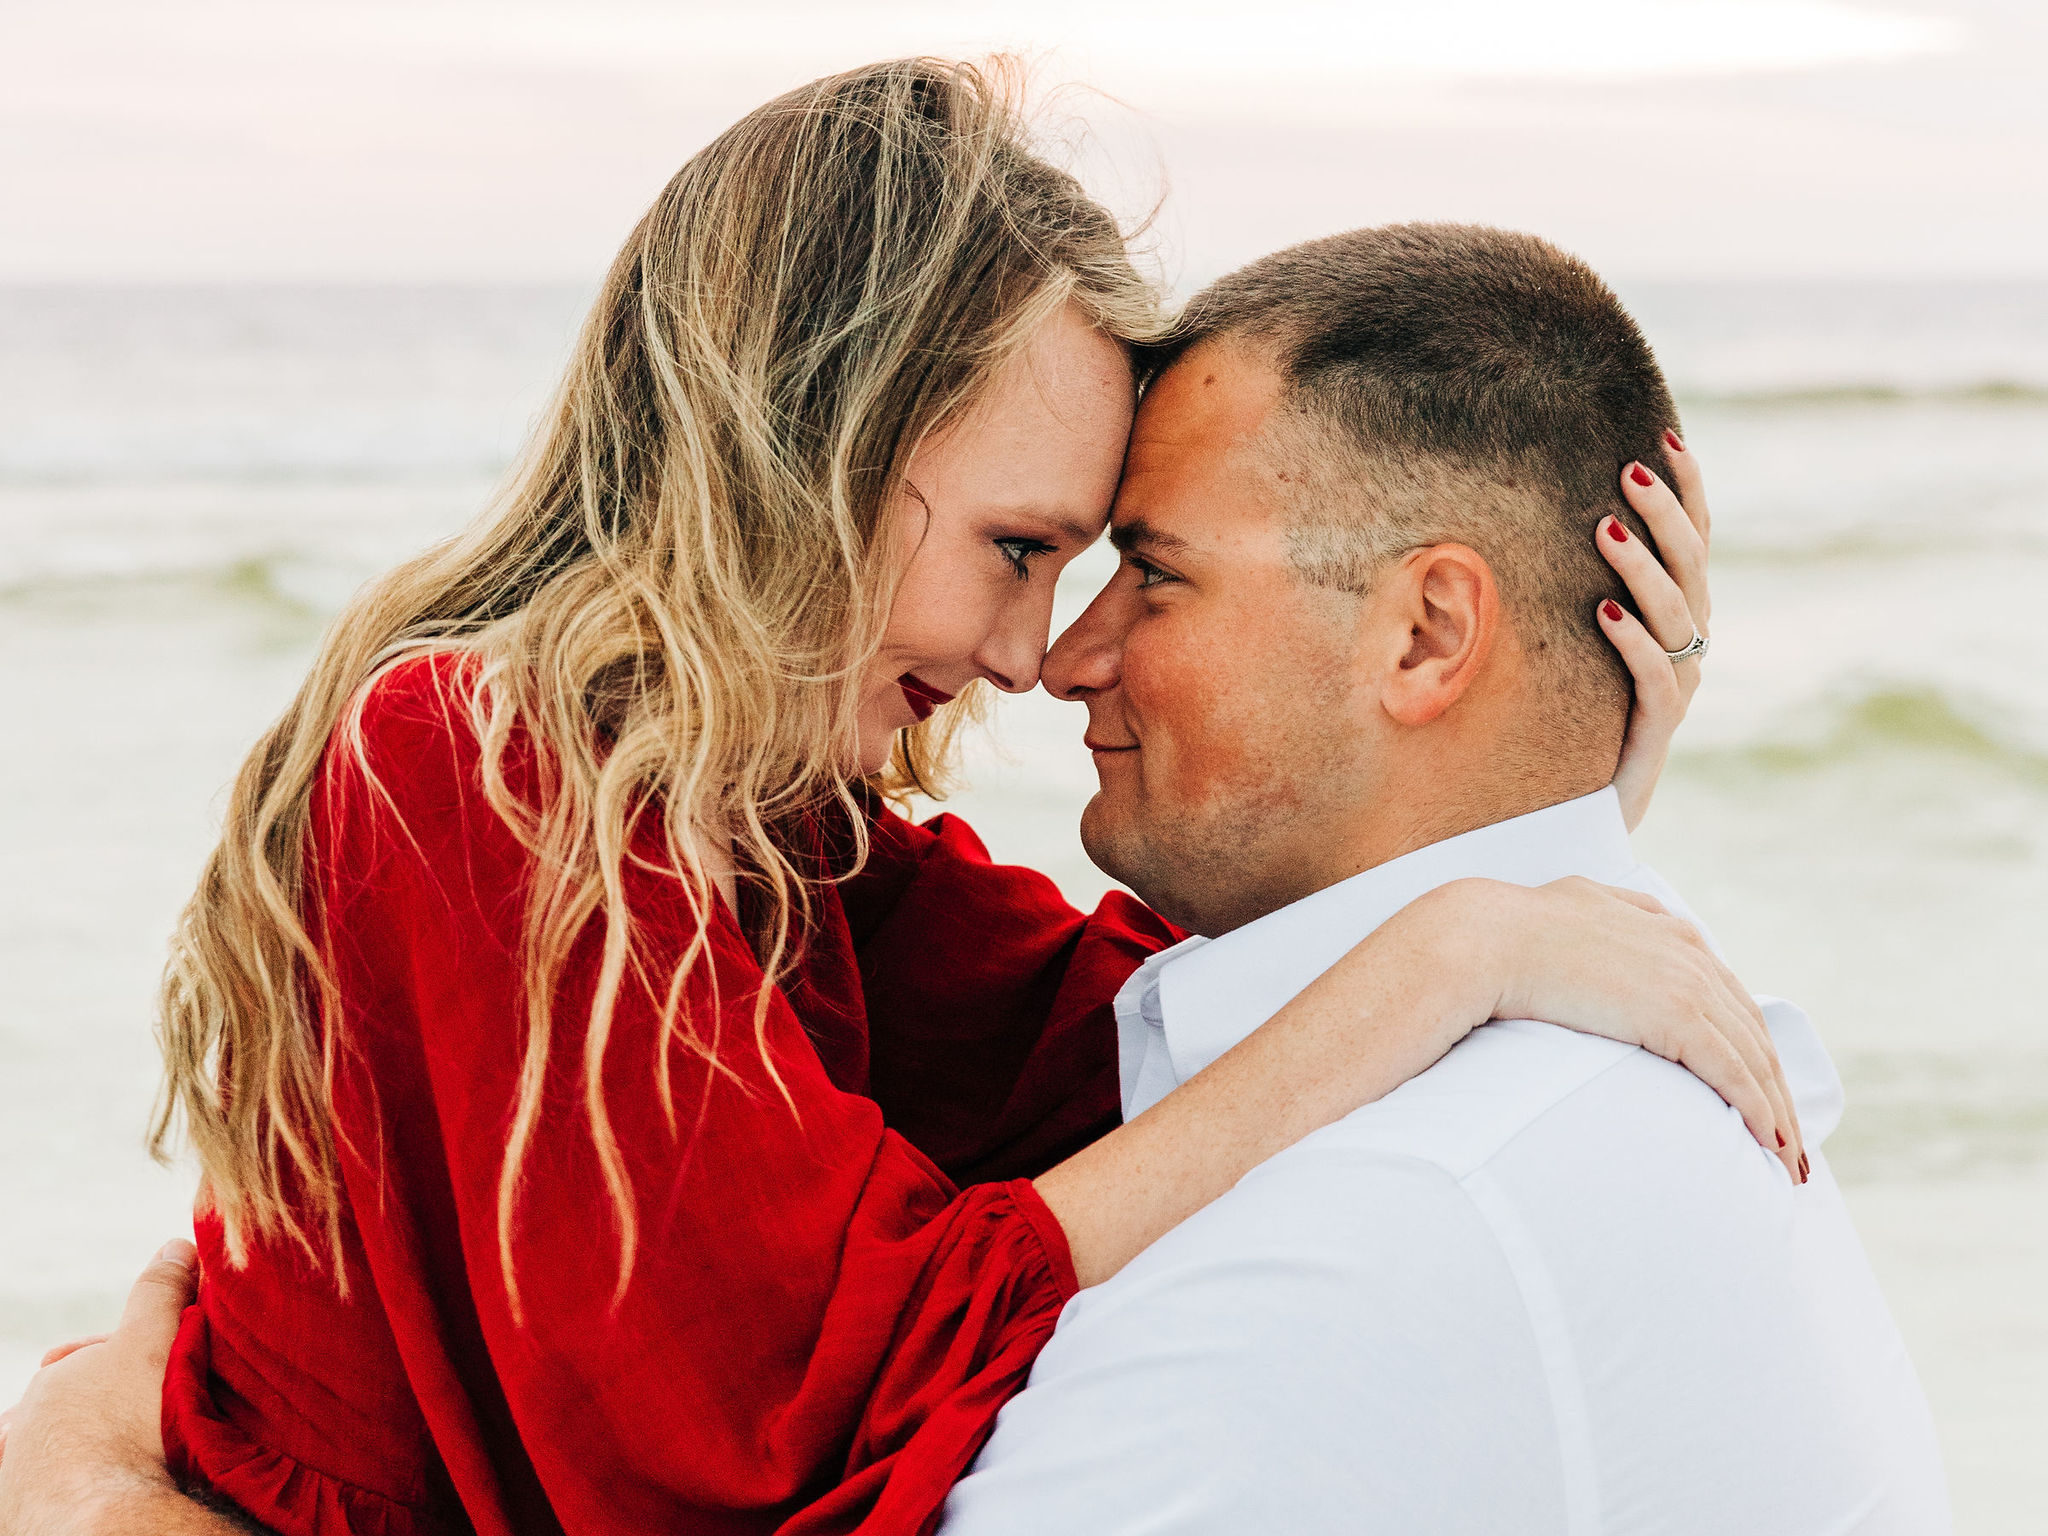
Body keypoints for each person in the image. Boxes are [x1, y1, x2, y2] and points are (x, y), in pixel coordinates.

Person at [0, 66, 1789, 1536]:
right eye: (1020, 550)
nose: (1033, 652)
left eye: (1094, 568)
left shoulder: (783, 840)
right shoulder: (474, 756)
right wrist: (1463, 945)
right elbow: (775, 1418)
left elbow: (1164, 1053)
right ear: (816, 449)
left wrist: (1552, 781)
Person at [938, 223, 1950, 1534]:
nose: (1064, 658)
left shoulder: (1348, 1253)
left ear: (1426, 636)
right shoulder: (1640, 1035)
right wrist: (1551, 812)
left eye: (1154, 575)